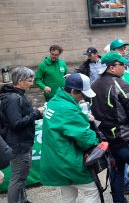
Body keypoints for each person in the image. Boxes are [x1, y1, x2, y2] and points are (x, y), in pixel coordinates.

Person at [40, 73, 100, 202]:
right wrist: (97, 139)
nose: (83, 98)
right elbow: (85, 138)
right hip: (68, 159)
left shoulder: (55, 101)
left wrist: (82, 118)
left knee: (68, 194)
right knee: (92, 190)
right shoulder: (68, 108)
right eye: (82, 94)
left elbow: (63, 123)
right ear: (73, 91)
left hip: (55, 158)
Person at [91, 52, 129, 202]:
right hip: (125, 138)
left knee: (117, 169)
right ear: (111, 67)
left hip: (107, 140)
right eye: (122, 65)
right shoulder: (120, 83)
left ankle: (119, 200)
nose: (125, 68)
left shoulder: (95, 84)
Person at [1, 67, 44, 203]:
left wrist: (34, 114)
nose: (32, 83)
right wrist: (36, 113)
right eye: (29, 80)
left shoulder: (16, 95)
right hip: (18, 144)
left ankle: (23, 200)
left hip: (21, 142)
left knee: (21, 176)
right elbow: (16, 123)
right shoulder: (13, 98)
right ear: (20, 81)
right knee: (18, 178)